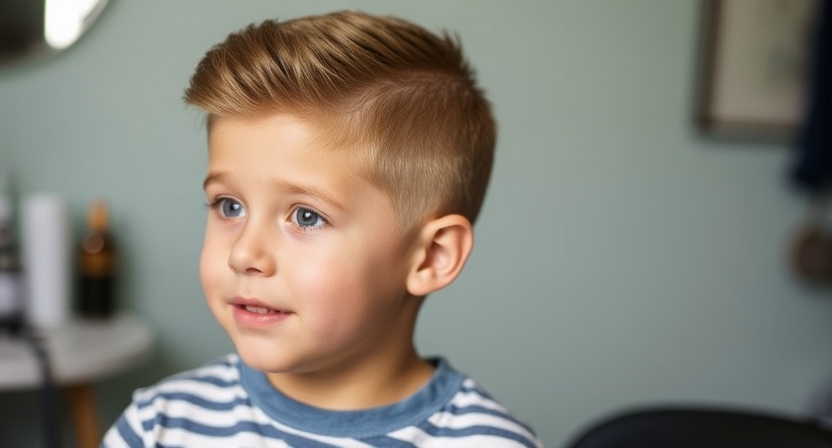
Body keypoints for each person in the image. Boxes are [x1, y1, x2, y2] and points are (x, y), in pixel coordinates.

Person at [102, 10, 543, 447]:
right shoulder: (158, 426)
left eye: (306, 216)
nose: (243, 254)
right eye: (230, 205)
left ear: (431, 256)